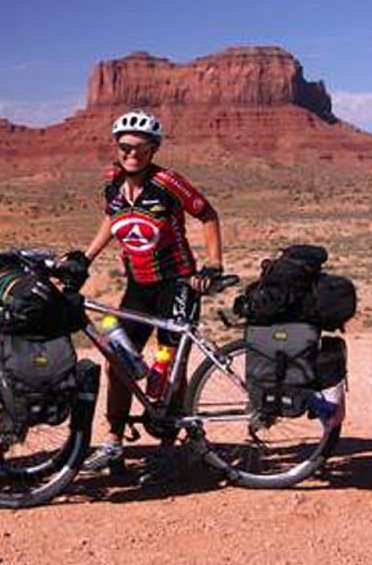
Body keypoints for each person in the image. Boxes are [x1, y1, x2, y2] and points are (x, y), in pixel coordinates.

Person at [79, 109, 223, 483]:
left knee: (168, 365)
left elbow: (207, 214)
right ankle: (113, 441)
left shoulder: (168, 182)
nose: (132, 154)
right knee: (118, 360)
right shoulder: (112, 181)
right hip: (138, 285)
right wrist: (84, 258)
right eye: (126, 147)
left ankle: (167, 448)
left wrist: (213, 266)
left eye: (142, 148)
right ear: (117, 146)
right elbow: (112, 220)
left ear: (153, 149)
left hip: (178, 283)